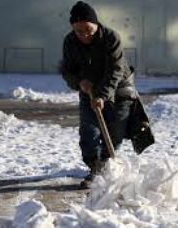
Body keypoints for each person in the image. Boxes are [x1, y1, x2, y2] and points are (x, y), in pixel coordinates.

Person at [61, 1, 154, 187]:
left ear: (96, 24)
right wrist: (79, 82)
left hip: (119, 89)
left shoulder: (111, 37)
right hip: (88, 90)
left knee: (115, 131)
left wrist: (102, 95)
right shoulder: (70, 41)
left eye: (88, 30)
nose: (85, 35)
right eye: (79, 31)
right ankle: (95, 168)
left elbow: (115, 70)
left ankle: (106, 165)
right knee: (89, 130)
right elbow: (67, 70)